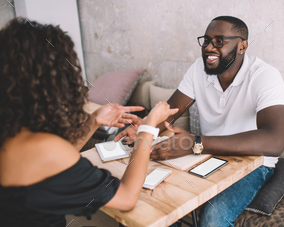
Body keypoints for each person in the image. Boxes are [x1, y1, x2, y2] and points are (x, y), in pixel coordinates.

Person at [0, 18, 178, 227]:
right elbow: (126, 197)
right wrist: (147, 130)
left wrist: (94, 121)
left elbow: (55, 162)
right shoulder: (42, 147)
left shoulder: (13, 134)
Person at [115, 16, 284, 226]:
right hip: (205, 154)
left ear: (242, 45)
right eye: (206, 41)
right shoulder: (199, 69)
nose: (208, 48)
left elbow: (275, 140)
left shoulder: (264, 76)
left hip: (251, 162)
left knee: (212, 220)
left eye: (219, 41)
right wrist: (145, 129)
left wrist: (195, 143)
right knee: (151, 198)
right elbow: (171, 111)